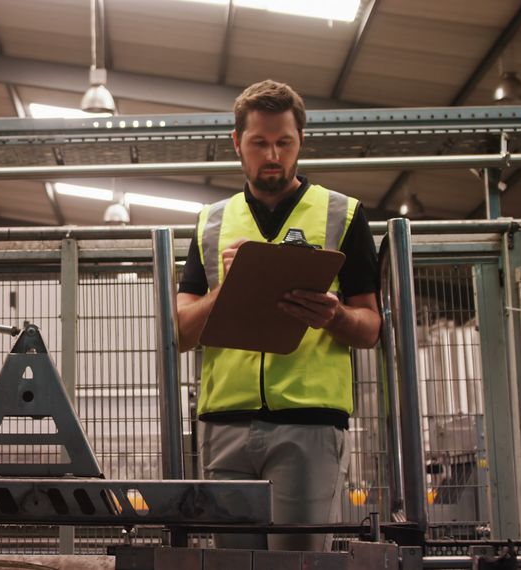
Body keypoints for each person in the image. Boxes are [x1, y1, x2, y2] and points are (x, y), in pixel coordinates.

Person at [176, 79, 382, 551]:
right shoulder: (210, 222)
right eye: (260, 143)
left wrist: (334, 316)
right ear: (237, 144)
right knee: (233, 566)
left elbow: (370, 327)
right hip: (224, 422)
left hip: (308, 426)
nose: (273, 155)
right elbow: (183, 332)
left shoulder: (343, 215)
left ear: (300, 142)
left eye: (284, 143)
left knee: (300, 563)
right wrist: (224, 290)